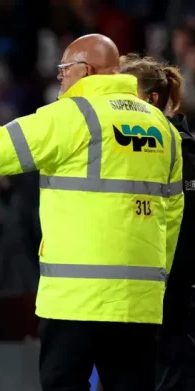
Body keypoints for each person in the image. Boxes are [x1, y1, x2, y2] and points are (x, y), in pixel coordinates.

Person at [0, 34, 184, 391]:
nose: (60, 76)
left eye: (64, 68)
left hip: (78, 299)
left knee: (62, 384)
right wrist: (156, 279)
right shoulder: (162, 127)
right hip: (139, 300)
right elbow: (171, 215)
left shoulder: (73, 116)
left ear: (86, 70)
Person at [119, 54, 195, 391]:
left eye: (125, 98)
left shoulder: (185, 152)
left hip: (177, 298)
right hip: (138, 295)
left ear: (151, 99)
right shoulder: (118, 152)